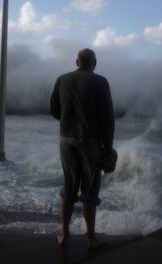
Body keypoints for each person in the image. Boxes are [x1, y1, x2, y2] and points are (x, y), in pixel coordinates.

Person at [50, 48, 115, 249]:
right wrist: (108, 147)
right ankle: (91, 239)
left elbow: (54, 110)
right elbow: (107, 118)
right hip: (91, 143)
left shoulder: (62, 79)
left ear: (77, 61)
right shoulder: (100, 82)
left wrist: (69, 120)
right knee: (89, 190)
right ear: (94, 62)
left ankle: (65, 235)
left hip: (66, 140)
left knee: (69, 187)